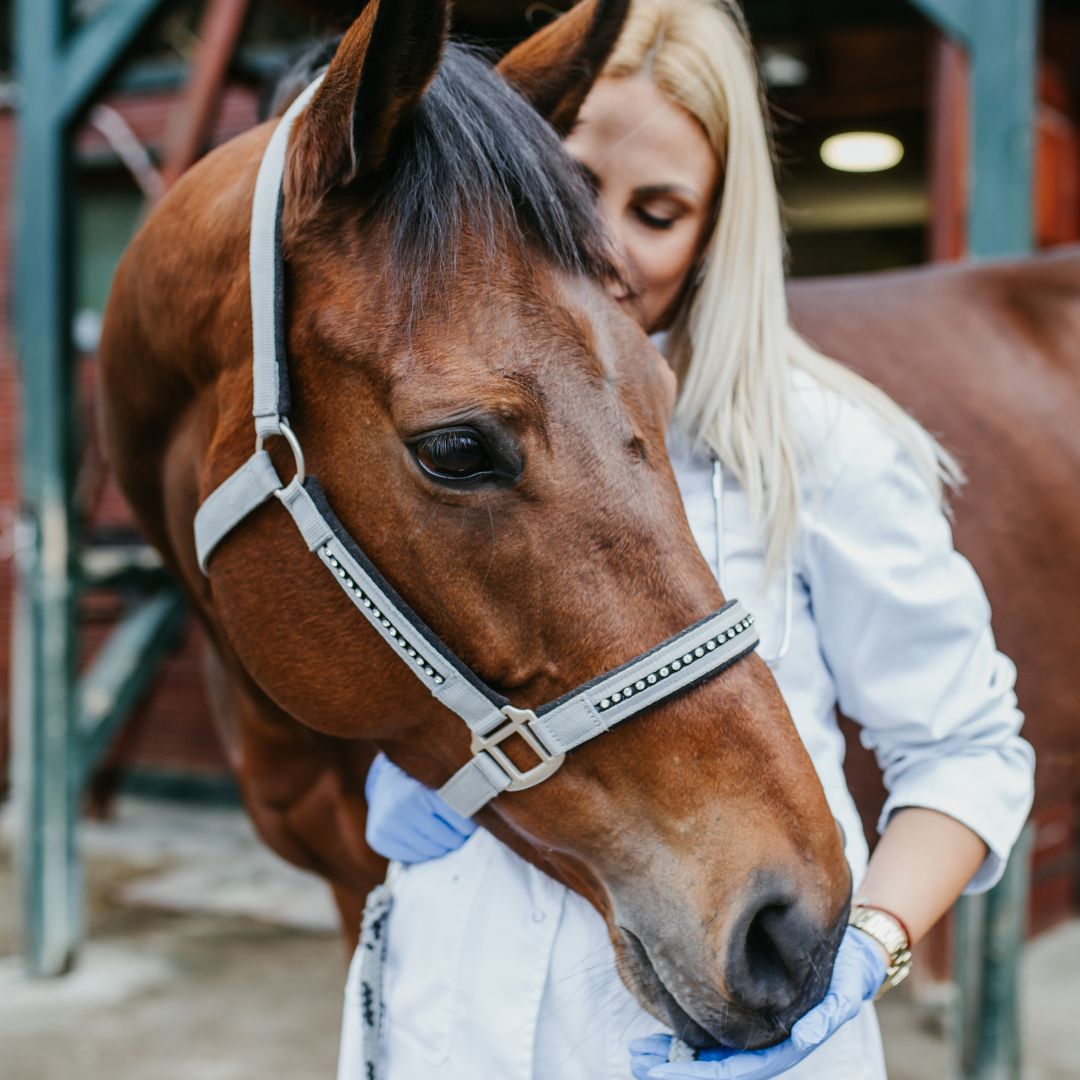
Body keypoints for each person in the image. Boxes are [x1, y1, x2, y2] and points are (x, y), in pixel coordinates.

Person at [345, 1, 1035, 1077]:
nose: (607, 250)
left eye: (659, 211)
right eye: (572, 191)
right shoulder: (446, 431)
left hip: (716, 1025)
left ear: (718, 228)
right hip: (452, 1009)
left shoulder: (814, 446)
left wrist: (867, 953)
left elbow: (970, 754)